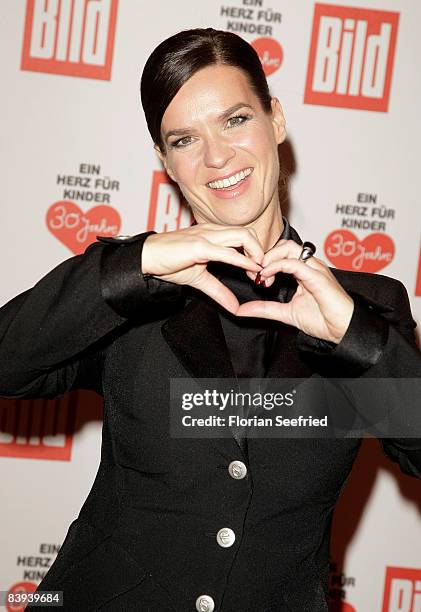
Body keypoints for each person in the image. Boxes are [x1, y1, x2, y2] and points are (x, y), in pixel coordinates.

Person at [1, 27, 420, 612]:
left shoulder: (369, 306)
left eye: (235, 119)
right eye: (184, 139)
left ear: (275, 119)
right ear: (164, 160)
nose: (216, 157)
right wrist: (136, 262)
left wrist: (359, 340)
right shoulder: (128, 290)